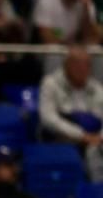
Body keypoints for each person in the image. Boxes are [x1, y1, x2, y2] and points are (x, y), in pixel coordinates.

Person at [39, 45, 103, 182]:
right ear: (66, 66)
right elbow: (48, 118)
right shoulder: (50, 84)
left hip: (94, 139)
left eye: (87, 65)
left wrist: (99, 136)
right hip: (61, 138)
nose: (82, 69)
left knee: (95, 150)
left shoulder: (96, 87)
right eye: (77, 65)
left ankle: (97, 193)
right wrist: (80, 135)